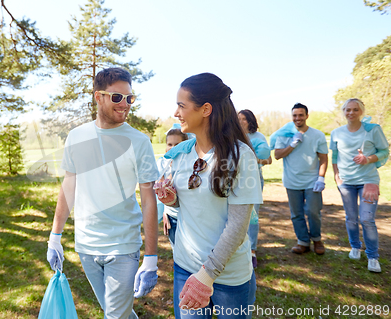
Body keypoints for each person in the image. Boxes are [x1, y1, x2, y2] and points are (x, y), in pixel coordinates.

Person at [46, 68, 160, 319]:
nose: (125, 104)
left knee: (115, 316)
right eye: (117, 97)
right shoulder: (76, 137)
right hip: (86, 245)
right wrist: (55, 236)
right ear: (98, 97)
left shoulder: (139, 141)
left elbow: (149, 200)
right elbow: (68, 188)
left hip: (123, 246)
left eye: (130, 98)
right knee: (116, 312)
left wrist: (151, 257)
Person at [156, 73, 262, 319]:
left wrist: (206, 275)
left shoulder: (240, 156)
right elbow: (191, 205)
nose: (176, 113)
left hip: (229, 277)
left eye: (181, 106)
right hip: (185, 267)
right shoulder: (181, 154)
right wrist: (171, 199)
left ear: (205, 109)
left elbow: (238, 224)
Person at [330, 98, 389, 273]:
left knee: (367, 219)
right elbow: (334, 157)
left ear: (361, 112)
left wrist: (368, 159)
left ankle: (372, 256)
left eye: (355, 110)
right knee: (351, 217)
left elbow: (384, 151)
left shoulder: (372, 130)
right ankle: (355, 247)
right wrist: (337, 178)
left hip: (368, 181)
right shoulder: (337, 133)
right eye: (348, 110)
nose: (351, 113)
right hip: (346, 182)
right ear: (343, 112)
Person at [274, 103, 328, 255]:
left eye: (300, 115)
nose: (297, 118)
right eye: (295, 115)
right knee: (296, 214)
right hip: (292, 181)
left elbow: (323, 158)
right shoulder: (284, 134)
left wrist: (321, 178)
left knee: (313, 211)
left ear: (306, 116)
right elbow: (277, 155)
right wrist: (293, 144)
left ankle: (317, 239)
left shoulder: (317, 135)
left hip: (312, 181)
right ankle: (303, 241)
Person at [238, 110, 272, 268]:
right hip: (235, 179)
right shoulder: (233, 135)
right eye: (238, 119)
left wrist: (254, 159)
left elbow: (268, 159)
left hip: (253, 179)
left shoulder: (259, 138)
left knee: (252, 214)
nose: (240, 121)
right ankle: (238, 248)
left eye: (244, 119)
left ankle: (252, 251)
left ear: (250, 121)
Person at [156, 124, 188, 248]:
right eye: (170, 144)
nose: (173, 147)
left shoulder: (189, 163)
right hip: (171, 216)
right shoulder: (162, 163)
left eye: (177, 144)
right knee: (176, 249)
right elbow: (162, 190)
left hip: (188, 216)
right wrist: (165, 212)